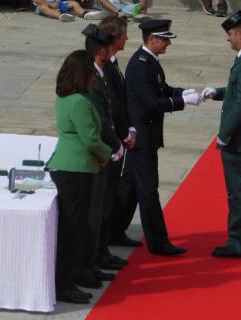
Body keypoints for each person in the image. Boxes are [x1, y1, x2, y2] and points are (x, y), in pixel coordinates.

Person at [124, 19, 203, 256]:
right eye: (165, 39)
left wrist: (181, 92)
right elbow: (151, 103)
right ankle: (158, 242)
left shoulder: (149, 62)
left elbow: (161, 87)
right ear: (152, 39)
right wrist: (181, 102)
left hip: (146, 135)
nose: (168, 43)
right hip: (142, 138)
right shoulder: (140, 66)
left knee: (128, 189)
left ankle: (112, 230)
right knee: (148, 191)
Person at [46, 50, 112, 303]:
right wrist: (107, 153)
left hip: (70, 167)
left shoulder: (66, 98)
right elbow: (91, 139)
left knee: (72, 228)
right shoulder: (80, 102)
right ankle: (64, 284)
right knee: (72, 230)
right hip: (76, 169)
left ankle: (68, 279)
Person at [201, 10, 241, 258]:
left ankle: (238, 244)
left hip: (240, 138)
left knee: (239, 192)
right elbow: (237, 91)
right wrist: (217, 92)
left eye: (230, 34)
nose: (228, 39)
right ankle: (240, 240)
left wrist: (224, 134)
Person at [74, 23, 122, 289]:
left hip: (104, 152)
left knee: (100, 211)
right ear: (103, 51)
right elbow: (101, 121)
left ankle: (94, 260)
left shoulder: (99, 73)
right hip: (98, 155)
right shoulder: (91, 78)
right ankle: (86, 266)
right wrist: (116, 145)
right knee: (92, 215)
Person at [100, 17, 143, 248]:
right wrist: (125, 133)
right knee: (106, 195)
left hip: (118, 137)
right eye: (125, 34)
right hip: (111, 141)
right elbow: (114, 105)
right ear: (116, 38)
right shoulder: (105, 66)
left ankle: (111, 236)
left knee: (112, 192)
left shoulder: (113, 63)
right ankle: (104, 241)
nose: (127, 38)